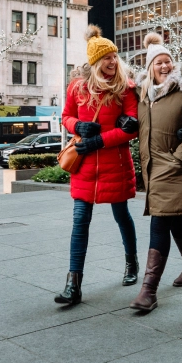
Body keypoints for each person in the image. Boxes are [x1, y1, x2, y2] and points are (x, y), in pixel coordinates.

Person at [55, 25, 139, 305]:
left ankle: (132, 263)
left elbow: (132, 129)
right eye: (106, 58)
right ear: (94, 62)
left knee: (122, 216)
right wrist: (77, 124)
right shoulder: (77, 88)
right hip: (84, 168)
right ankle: (73, 284)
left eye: (114, 57)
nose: (112, 62)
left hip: (114, 165)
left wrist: (98, 141)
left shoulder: (126, 88)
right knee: (80, 222)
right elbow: (65, 116)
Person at [129, 32, 182, 312]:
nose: (165, 66)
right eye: (158, 62)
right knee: (173, 219)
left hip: (175, 168)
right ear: (150, 67)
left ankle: (148, 290)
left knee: (159, 221)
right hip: (153, 168)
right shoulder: (144, 95)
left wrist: (178, 158)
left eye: (168, 61)